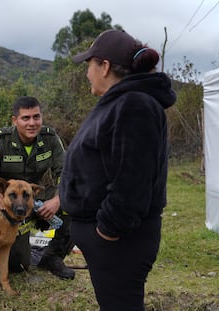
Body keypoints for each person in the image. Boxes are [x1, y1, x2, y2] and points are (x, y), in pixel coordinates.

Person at [60, 29, 176, 310]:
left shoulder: (134, 104)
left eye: (89, 64)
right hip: (111, 243)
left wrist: (108, 231)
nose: (87, 72)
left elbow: (132, 181)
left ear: (105, 66)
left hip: (120, 242)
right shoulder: (120, 102)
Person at [0, 96, 75, 279]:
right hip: (6, 207)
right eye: (25, 118)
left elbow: (67, 174)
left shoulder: (50, 137)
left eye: (36, 117)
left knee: (77, 200)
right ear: (14, 120)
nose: (32, 123)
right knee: (19, 265)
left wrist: (57, 200)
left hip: (33, 198)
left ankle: (53, 257)